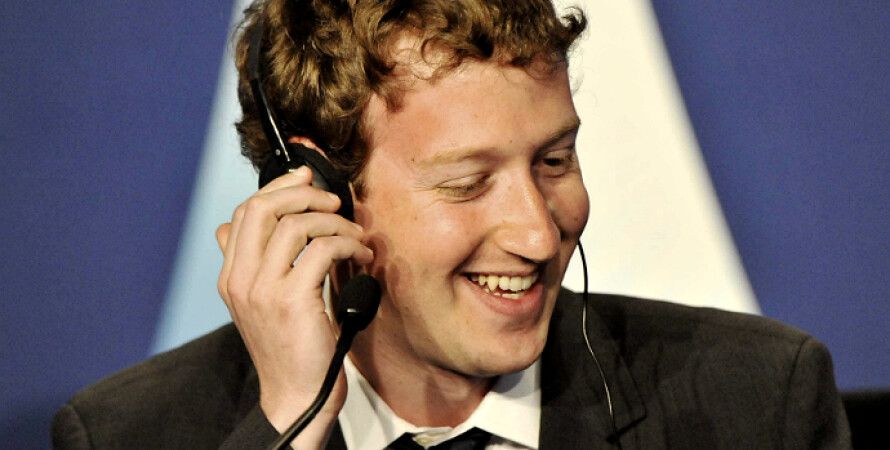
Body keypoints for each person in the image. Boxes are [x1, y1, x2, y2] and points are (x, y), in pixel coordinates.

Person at [52, 0, 851, 448]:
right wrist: (293, 423)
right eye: (468, 183)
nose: (538, 234)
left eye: (554, 160)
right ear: (317, 191)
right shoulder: (125, 436)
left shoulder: (761, 405)